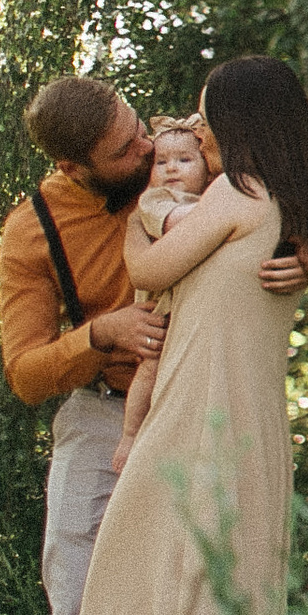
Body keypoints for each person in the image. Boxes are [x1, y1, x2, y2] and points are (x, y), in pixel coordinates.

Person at [0, 76, 308, 615]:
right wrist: (100, 334)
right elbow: (23, 371)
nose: (147, 149)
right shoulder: (31, 230)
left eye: (141, 127)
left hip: (194, 405)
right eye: (126, 146)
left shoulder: (189, 165)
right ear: (74, 166)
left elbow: (291, 192)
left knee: (192, 599)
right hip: (103, 414)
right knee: (82, 607)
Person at [112, 115, 212, 475]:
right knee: (149, 369)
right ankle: (128, 436)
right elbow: (176, 221)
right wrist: (224, 209)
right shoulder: (155, 200)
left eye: (185, 160)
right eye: (161, 161)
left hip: (193, 309)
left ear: (205, 164)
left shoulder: (211, 195)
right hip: (160, 307)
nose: (172, 169)